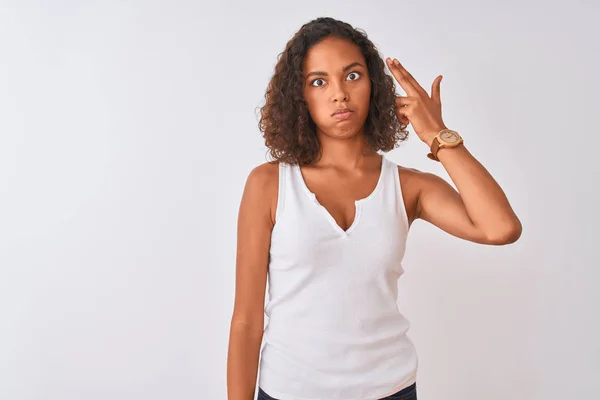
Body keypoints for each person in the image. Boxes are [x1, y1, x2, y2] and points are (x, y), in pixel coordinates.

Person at [227, 17, 522, 400]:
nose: (339, 94)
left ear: (374, 86)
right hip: (289, 390)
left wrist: (437, 135)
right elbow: (247, 322)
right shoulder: (269, 184)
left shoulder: (407, 186)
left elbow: (500, 228)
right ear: (299, 97)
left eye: (352, 76)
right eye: (319, 81)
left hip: (391, 389)